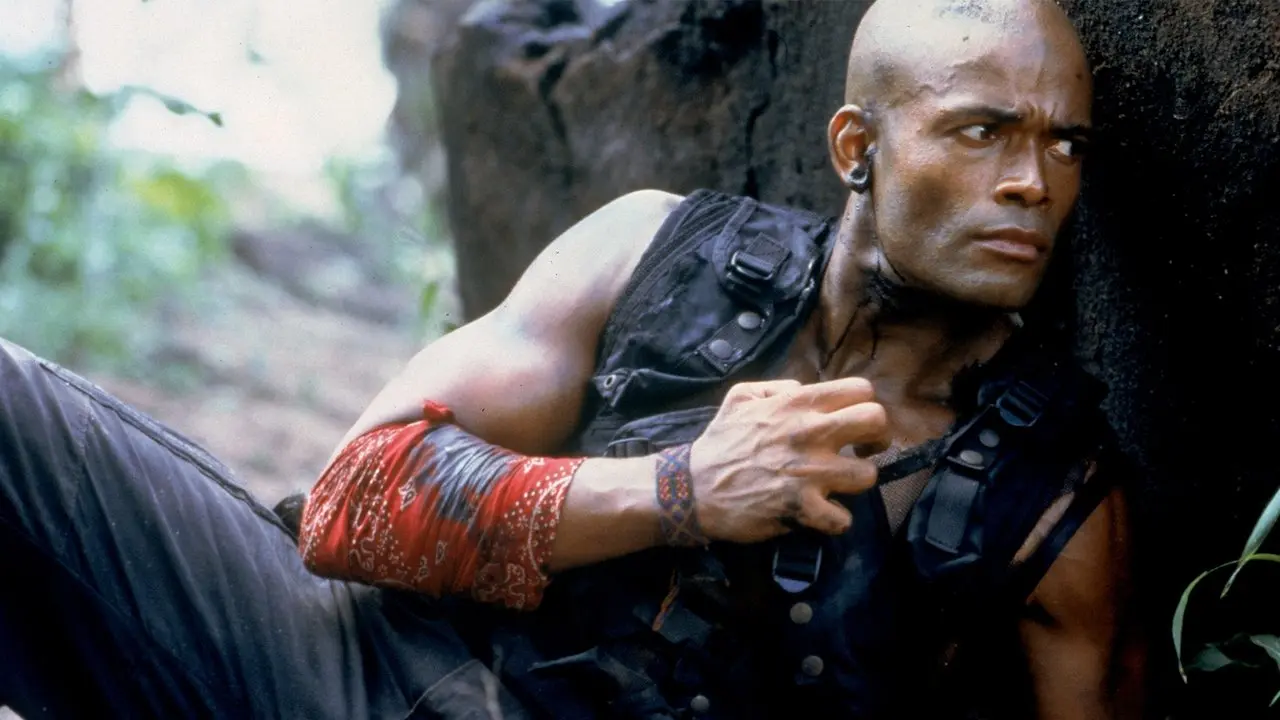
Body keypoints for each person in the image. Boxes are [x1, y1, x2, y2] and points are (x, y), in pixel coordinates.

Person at [0, 0, 1143, 718]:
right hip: (357, 677)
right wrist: (678, 489)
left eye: (1064, 145)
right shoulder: (656, 247)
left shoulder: (1052, 496)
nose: (1029, 184)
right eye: (981, 130)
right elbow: (351, 506)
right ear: (858, 146)